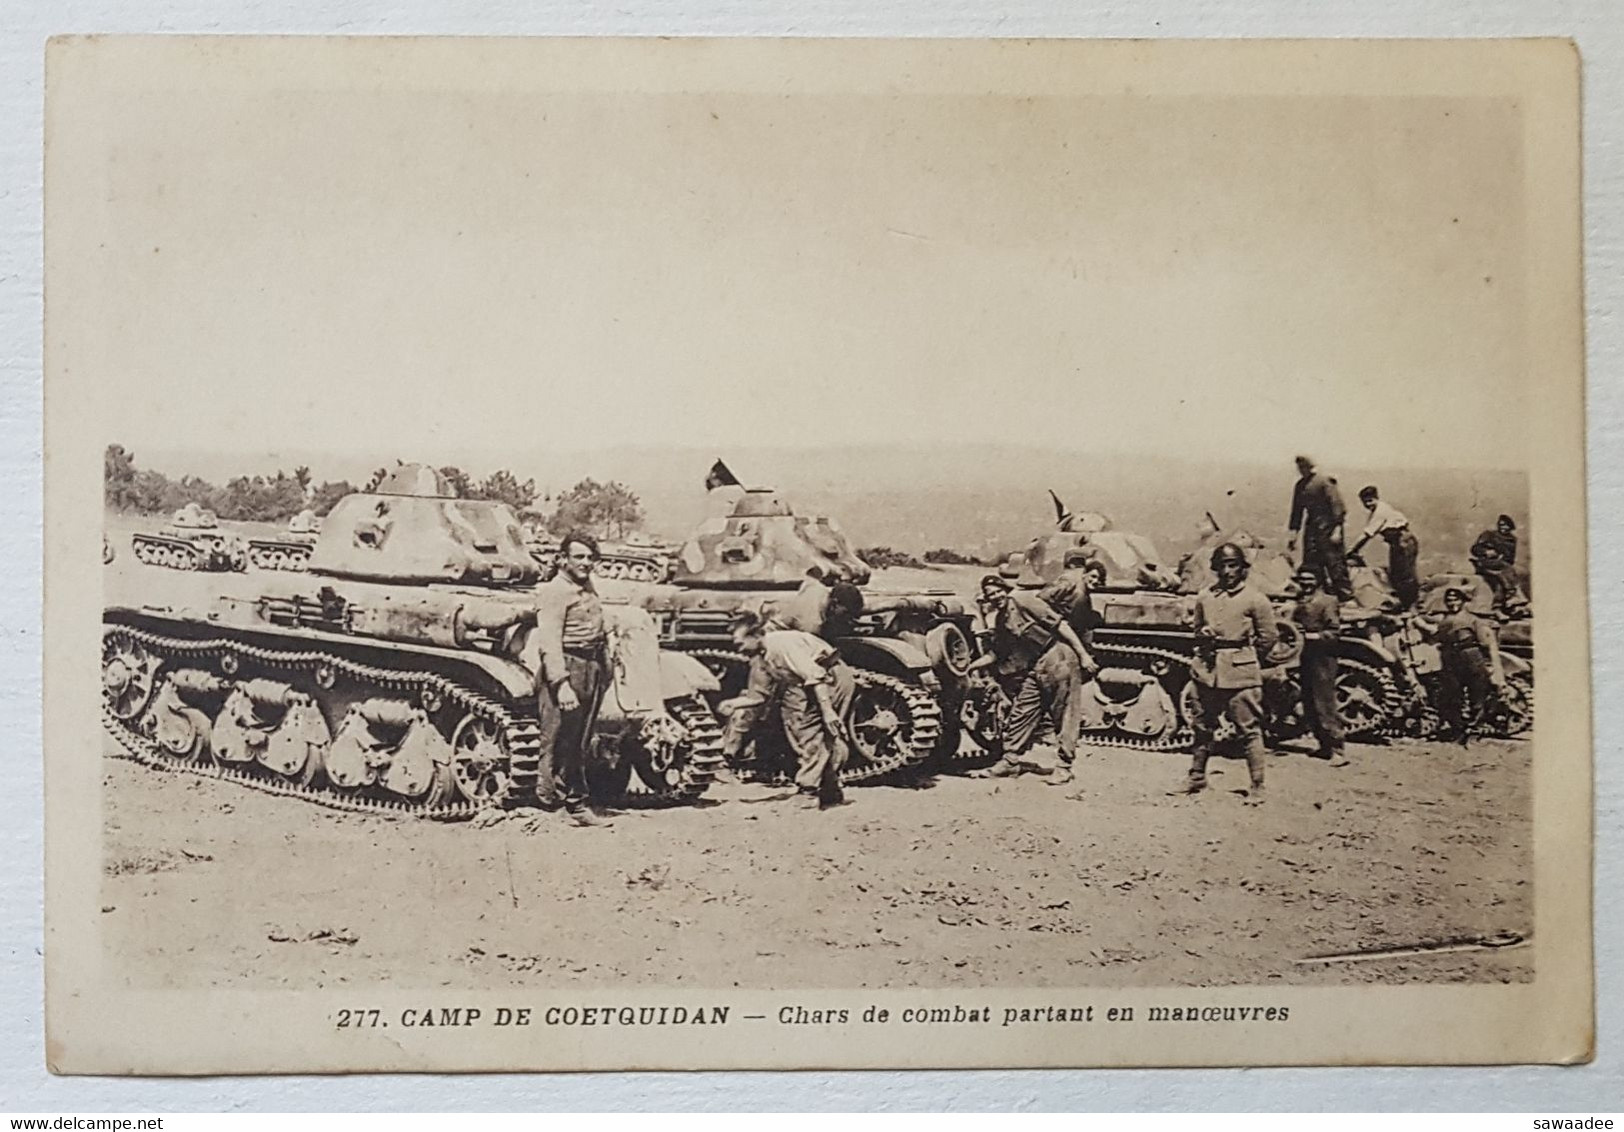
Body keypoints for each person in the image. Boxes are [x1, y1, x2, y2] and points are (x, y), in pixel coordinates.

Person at [971, 574, 1098, 782]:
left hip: (1059, 656)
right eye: (990, 595)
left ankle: (1064, 767)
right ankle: (1010, 760)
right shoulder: (1001, 619)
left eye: (997, 592)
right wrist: (970, 666)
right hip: (1037, 665)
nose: (995, 597)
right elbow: (996, 654)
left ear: (1006, 589)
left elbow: (1060, 626)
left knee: (1064, 712)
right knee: (1023, 709)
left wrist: (1083, 655)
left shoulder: (1025, 601)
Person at [720, 610, 852, 809]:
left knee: (809, 732)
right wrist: (734, 704)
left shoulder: (780, 646)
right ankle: (831, 792)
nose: (739, 650)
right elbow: (759, 697)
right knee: (814, 735)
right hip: (814, 683)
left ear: (756, 636)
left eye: (740, 644)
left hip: (830, 679)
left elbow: (815, 675)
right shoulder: (761, 658)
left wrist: (827, 711)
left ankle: (808, 792)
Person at [1185, 543, 1279, 804]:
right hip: (1207, 671)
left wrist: (1245, 658)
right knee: (1202, 726)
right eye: (1222, 566)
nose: (1227, 571)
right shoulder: (1205, 596)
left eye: (1233, 565)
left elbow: (1269, 637)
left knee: (1248, 729)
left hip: (1241, 674)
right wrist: (1203, 636)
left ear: (1242, 568)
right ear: (1215, 568)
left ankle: (1258, 786)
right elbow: (1196, 630)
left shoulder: (1255, 599)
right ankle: (1196, 777)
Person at [533, 532, 612, 825]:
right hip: (567, 666)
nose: (586, 562)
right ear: (562, 559)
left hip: (590, 667)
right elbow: (549, 642)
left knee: (579, 740)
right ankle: (549, 806)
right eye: (578, 556)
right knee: (554, 739)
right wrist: (561, 683)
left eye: (590, 557)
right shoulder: (554, 591)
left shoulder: (586, 586)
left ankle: (575, 802)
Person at [1424, 586, 1506, 744]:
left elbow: (1485, 642)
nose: (1452, 602)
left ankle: (1474, 730)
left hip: (1470, 655)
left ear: (1463, 601)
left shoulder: (1474, 620)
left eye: (1456, 599)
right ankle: (1458, 730)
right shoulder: (1444, 621)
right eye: (1449, 600)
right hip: (1449, 658)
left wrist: (1490, 666)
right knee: (1452, 695)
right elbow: (1437, 638)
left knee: (1478, 694)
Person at [1288, 568, 1347, 764]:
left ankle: (1337, 749)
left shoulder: (1327, 601)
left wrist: (1315, 636)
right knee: (1309, 702)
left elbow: (1334, 631)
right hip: (1305, 656)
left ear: (1318, 581)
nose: (1305, 582)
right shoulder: (1300, 601)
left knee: (1324, 702)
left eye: (1310, 578)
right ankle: (1323, 745)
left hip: (1323, 656)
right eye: (1302, 579)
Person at [1287, 455, 1353, 602]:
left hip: (1328, 526)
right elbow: (1296, 511)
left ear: (1311, 466)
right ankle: (1318, 599)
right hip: (1312, 527)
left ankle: (1345, 598)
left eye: (1305, 466)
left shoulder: (1324, 482)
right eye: (1300, 467)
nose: (1302, 470)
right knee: (1312, 563)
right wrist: (1293, 534)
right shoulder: (1300, 486)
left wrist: (1337, 530)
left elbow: (1337, 506)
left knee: (1335, 563)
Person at [1348, 485, 1420, 610]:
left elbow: (1366, 535)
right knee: (1397, 573)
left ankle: (1411, 605)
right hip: (1397, 543)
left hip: (1403, 541)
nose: (1368, 504)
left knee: (1405, 574)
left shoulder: (1380, 511)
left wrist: (1352, 550)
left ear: (1376, 498)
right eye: (1365, 502)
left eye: (1370, 500)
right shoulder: (1377, 511)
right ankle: (1405, 603)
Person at [1471, 515, 1529, 617]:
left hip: (1501, 567)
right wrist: (1486, 552)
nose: (1503, 527)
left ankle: (1499, 608)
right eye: (1501, 525)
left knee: (1500, 580)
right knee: (1506, 569)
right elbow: (1474, 549)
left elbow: (1510, 560)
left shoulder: (1512, 540)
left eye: (1506, 526)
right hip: (1485, 563)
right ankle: (1513, 594)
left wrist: (1501, 557)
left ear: (1510, 527)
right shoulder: (1489, 534)